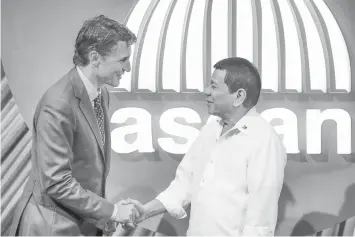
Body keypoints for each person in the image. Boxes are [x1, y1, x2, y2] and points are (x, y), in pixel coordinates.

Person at [9, 15, 143, 236]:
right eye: (122, 60)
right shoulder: (58, 103)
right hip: (52, 228)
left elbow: (89, 174)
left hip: (81, 225)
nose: (128, 67)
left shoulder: (101, 95)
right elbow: (56, 182)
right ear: (95, 58)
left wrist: (108, 215)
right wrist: (112, 211)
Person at [125, 57, 287, 236]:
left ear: (239, 96)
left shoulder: (264, 140)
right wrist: (145, 211)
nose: (206, 91)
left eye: (214, 86)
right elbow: (182, 185)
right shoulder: (210, 130)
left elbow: (260, 221)